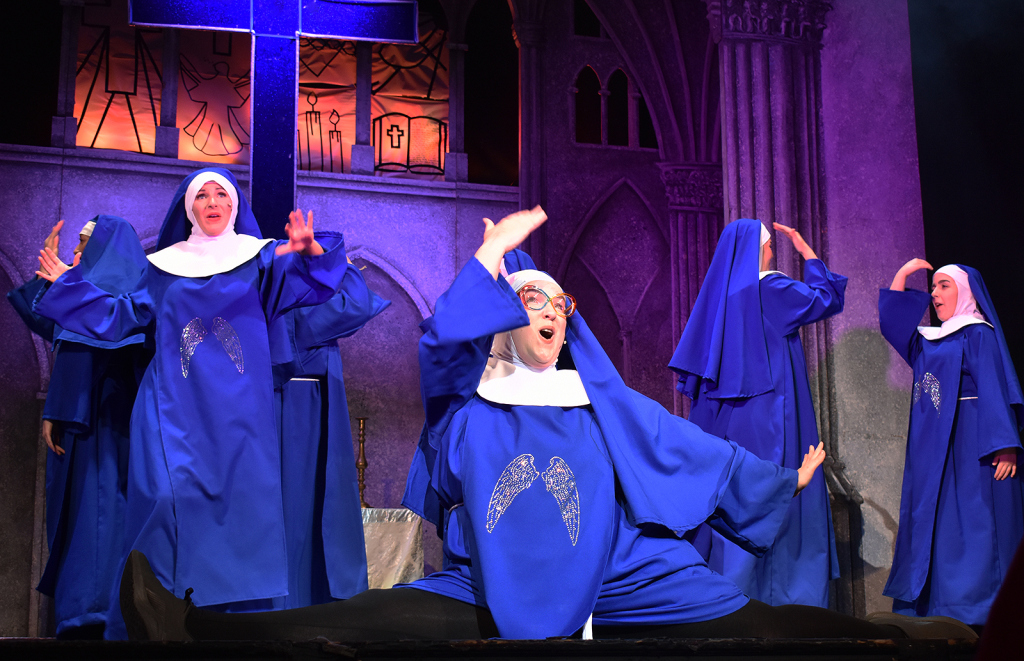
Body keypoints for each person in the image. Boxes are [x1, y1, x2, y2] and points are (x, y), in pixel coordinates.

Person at [119, 208, 974, 641]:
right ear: (503, 319)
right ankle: (199, 626)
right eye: (531, 302)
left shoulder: (599, 403)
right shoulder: (470, 404)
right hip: (491, 581)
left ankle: (903, 636)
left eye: (559, 305)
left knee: (750, 620)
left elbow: (687, 449)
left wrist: (778, 481)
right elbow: (440, 346)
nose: (550, 311)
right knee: (368, 617)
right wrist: (493, 257)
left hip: (613, 574)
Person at [34, 167, 353, 615]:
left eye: (221, 194)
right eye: (202, 195)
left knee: (240, 514)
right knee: (164, 503)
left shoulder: (260, 259)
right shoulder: (162, 266)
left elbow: (315, 282)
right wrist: (67, 287)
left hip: (238, 411)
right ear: (189, 207)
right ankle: (157, 616)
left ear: (234, 204)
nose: (212, 202)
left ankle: (226, 622)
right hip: (170, 408)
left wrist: (310, 250)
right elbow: (120, 316)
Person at [667, 218, 845, 608]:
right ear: (763, 248)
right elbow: (828, 297)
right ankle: (787, 602)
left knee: (737, 496)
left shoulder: (722, 300)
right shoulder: (771, 288)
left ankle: (727, 598)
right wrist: (806, 250)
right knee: (780, 491)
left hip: (730, 420)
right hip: (773, 412)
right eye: (769, 246)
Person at [7, 216, 149, 639]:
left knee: (100, 512)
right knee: (79, 516)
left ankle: (97, 612)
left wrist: (61, 407)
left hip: (105, 421)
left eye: (83, 245)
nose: (74, 253)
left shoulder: (119, 297)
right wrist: (49, 283)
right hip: (86, 418)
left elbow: (87, 345)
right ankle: (84, 610)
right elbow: (56, 328)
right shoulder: (90, 295)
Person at [879, 260, 1024, 626]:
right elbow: (894, 326)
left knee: (976, 524)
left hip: (971, 442)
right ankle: (937, 608)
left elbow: (993, 386)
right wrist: (902, 274)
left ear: (966, 292)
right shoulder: (929, 341)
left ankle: (978, 609)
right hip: (932, 449)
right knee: (938, 526)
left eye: (944, 285)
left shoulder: (977, 333)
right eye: (933, 287)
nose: (935, 293)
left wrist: (1004, 444)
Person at [268, 232, 390, 608]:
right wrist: (339, 265)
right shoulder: (297, 313)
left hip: (303, 408)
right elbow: (358, 303)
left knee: (300, 517)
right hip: (297, 413)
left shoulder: (292, 308)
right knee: (297, 516)